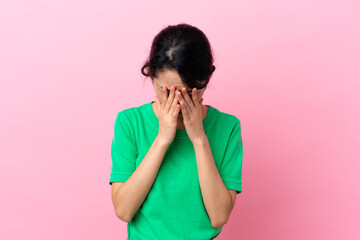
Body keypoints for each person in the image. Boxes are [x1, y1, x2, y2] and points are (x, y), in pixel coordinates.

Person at [109, 23, 243, 240]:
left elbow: (219, 217)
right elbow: (124, 210)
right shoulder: (130, 122)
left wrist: (199, 138)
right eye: (168, 91)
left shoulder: (227, 128)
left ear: (208, 77)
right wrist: (162, 139)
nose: (179, 101)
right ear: (151, 75)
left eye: (190, 92)